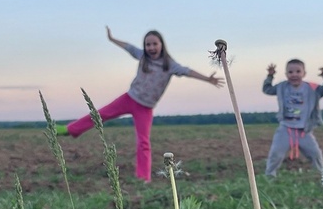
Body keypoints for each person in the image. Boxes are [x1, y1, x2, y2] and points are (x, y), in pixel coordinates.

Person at [64, 27, 224, 180]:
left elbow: (187, 71)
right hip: (128, 98)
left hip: (145, 108)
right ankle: (69, 129)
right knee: (99, 115)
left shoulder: (169, 64)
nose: (151, 47)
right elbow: (128, 47)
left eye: (155, 43)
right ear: (144, 46)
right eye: (148, 44)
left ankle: (143, 177)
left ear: (161, 45)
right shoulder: (142, 56)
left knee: (143, 142)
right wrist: (112, 39)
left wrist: (207, 79)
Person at [262, 59, 323, 176]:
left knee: (315, 154)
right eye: (290, 72)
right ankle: (269, 176)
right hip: (285, 129)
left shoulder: (312, 87)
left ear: (304, 73)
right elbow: (267, 89)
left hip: (304, 130)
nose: (294, 74)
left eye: (298, 71)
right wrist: (270, 76)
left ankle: (319, 176)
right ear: (286, 74)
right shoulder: (282, 87)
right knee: (275, 154)